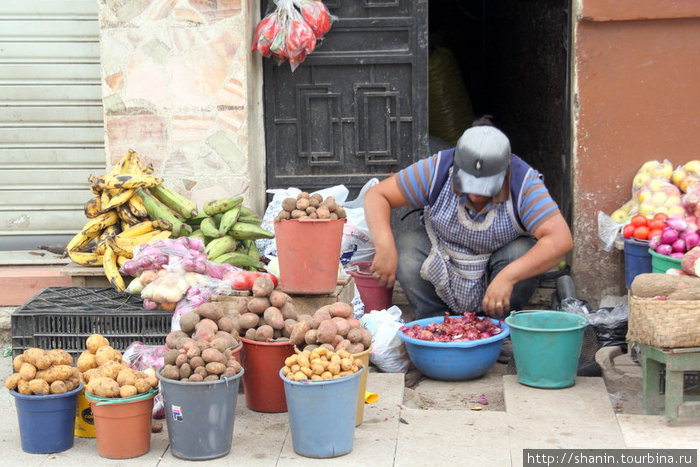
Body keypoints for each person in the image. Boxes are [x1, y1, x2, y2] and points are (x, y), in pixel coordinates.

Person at [364, 117, 573, 320]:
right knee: (407, 248)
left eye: (484, 188)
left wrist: (508, 276)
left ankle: (501, 327)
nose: (475, 195)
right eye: (468, 185)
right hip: (445, 256)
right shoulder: (438, 168)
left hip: (497, 265)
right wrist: (385, 246)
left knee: (520, 252)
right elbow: (377, 195)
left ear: (505, 172)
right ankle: (433, 322)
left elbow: (560, 240)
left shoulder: (523, 183)